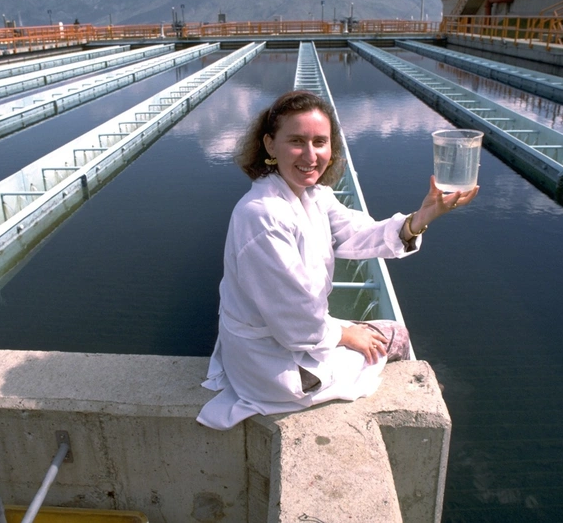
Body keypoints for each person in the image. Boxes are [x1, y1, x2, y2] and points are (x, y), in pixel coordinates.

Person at [197, 90, 478, 430]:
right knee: (395, 337)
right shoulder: (263, 216)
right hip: (275, 365)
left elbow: (359, 234)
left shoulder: (312, 197)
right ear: (270, 145)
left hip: (284, 339)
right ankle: (417, 400)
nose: (311, 155)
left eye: (320, 142)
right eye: (297, 141)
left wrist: (422, 216)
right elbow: (296, 321)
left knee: (377, 336)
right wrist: (347, 335)